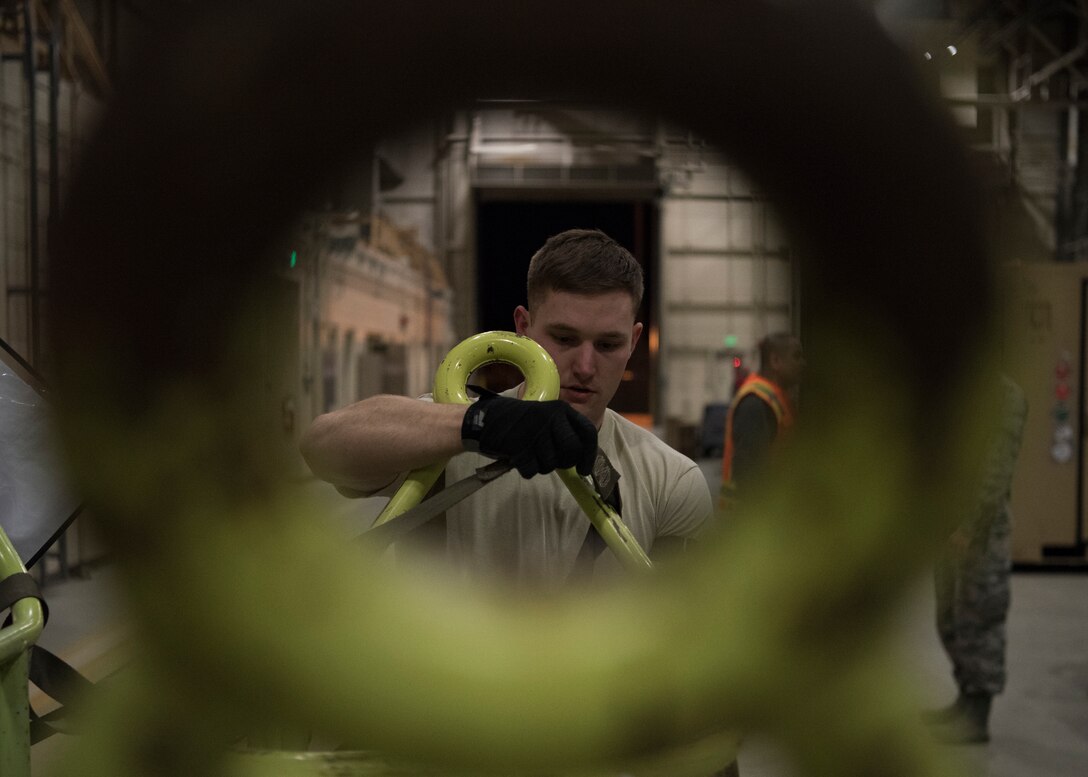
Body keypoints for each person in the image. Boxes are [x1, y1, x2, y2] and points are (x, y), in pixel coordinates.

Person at [300, 228, 714, 586]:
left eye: (607, 345)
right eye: (564, 338)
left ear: (634, 341)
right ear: (523, 328)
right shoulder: (455, 427)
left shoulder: (670, 479)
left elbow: (682, 624)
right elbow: (322, 447)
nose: (585, 367)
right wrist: (478, 425)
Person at [926, 374, 1028, 745]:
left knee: (980, 618)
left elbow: (995, 471)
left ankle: (978, 715)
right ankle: (965, 697)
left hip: (979, 529)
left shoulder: (1006, 397)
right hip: (948, 522)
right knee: (950, 616)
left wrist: (971, 526)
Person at [719, 332, 804, 506]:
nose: (803, 363)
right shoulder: (756, 404)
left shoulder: (775, 399)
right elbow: (749, 477)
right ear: (775, 361)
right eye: (796, 356)